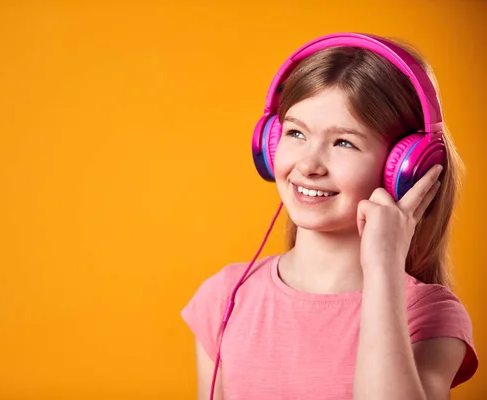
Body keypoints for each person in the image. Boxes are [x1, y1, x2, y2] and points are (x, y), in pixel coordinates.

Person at [181, 33, 479, 400]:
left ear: (402, 168)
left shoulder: (428, 314)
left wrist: (384, 266)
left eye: (344, 142)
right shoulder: (225, 297)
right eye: (295, 133)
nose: (308, 165)